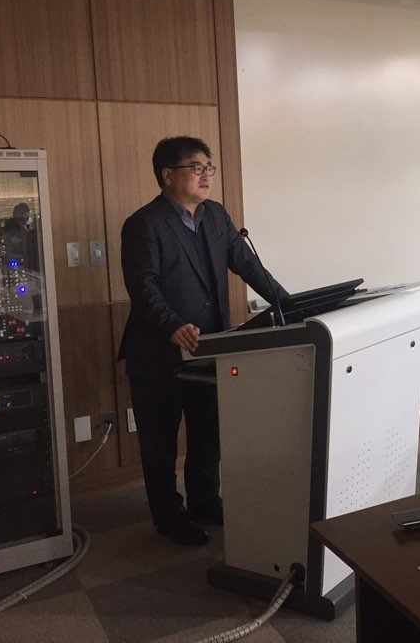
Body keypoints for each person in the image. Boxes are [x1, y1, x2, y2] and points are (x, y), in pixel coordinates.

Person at [118, 136, 288, 545]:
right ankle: (168, 516)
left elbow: (247, 265)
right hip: (158, 351)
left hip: (210, 346)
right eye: (197, 167)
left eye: (209, 167)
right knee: (160, 441)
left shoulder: (215, 216)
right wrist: (172, 325)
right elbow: (143, 286)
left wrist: (290, 305)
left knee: (207, 430)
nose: (206, 175)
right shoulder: (144, 224)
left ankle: (204, 501)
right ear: (167, 175)